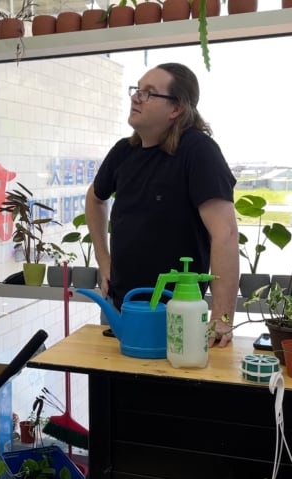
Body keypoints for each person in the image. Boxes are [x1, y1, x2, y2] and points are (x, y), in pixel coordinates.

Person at [84, 63, 239, 347]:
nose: (135, 98)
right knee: (116, 389)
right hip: (124, 307)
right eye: (137, 90)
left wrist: (222, 316)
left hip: (179, 312)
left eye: (149, 93)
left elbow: (225, 233)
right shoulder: (123, 152)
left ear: (176, 108)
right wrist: (103, 259)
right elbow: (95, 199)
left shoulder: (198, 151)